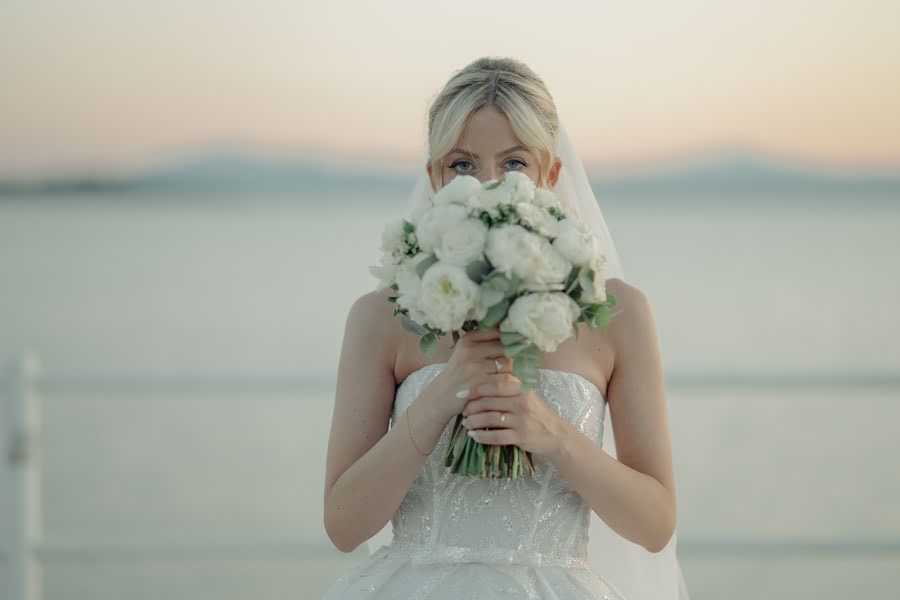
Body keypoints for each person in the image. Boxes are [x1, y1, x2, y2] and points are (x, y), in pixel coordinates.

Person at [322, 56, 690, 599]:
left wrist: (552, 434)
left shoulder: (618, 312)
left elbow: (655, 525)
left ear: (551, 175)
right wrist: (440, 398)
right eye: (463, 165)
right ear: (434, 176)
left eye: (514, 163)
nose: (488, 184)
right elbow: (344, 525)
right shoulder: (382, 315)